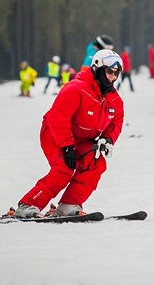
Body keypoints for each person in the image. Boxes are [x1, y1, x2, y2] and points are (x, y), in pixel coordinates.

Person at [14, 49, 125, 218]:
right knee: (64, 169)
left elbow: (116, 121)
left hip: (82, 140)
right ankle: (28, 204)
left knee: (95, 164)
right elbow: (58, 117)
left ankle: (69, 204)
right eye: (109, 72)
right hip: (55, 134)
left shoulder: (114, 100)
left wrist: (107, 139)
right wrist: (66, 147)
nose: (112, 77)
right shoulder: (76, 89)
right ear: (97, 69)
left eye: (116, 73)